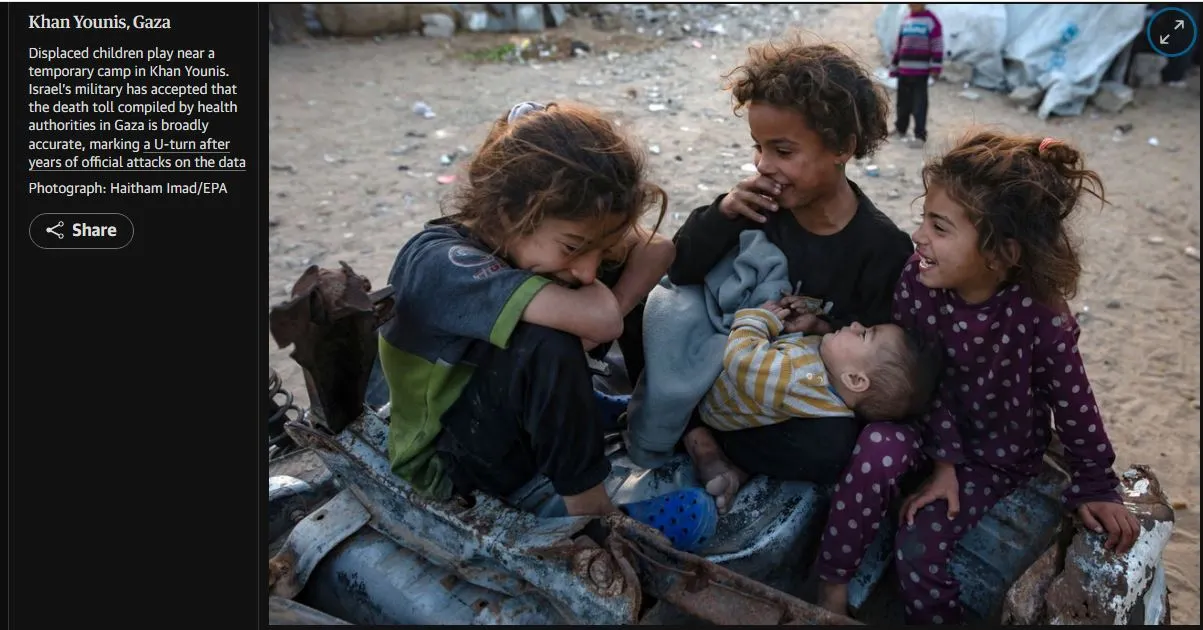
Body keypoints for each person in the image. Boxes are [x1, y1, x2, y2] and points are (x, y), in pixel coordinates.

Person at [813, 131, 1142, 623]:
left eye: (940, 227)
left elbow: (1074, 401)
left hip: (995, 453)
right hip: (924, 421)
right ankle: (831, 590)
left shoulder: (1042, 319)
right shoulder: (918, 281)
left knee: (918, 548)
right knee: (878, 448)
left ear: (1002, 253)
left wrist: (1095, 483)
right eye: (924, 218)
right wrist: (942, 461)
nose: (920, 235)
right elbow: (922, 376)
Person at [378, 101, 715, 531]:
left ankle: (607, 411)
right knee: (548, 340)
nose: (587, 268)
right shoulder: (444, 264)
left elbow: (657, 247)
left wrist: (609, 280)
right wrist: (602, 310)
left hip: (496, 414)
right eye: (574, 247)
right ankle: (592, 513)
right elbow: (602, 322)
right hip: (450, 464)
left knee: (602, 282)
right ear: (510, 213)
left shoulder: (533, 235)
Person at [668, 38, 915, 512]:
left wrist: (824, 327)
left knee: (833, 445)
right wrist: (721, 213)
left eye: (782, 150)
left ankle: (708, 440)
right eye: (759, 148)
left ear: (843, 147)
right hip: (719, 360)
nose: (764, 165)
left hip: (784, 394)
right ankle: (699, 438)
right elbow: (681, 269)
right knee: (654, 310)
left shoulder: (881, 247)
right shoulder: (758, 206)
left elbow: (878, 354)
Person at [698, 300, 941, 433]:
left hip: (715, 395)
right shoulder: (834, 385)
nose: (856, 324)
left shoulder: (799, 377)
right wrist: (816, 320)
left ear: (855, 380)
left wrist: (757, 321)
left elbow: (742, 362)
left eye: (864, 334)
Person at [888, 4, 944, 148]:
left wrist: (935, 67)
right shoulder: (906, 20)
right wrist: (894, 66)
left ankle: (920, 135)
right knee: (902, 104)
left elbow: (937, 44)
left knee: (919, 104)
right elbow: (900, 46)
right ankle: (901, 128)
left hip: (920, 73)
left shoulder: (931, 20)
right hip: (904, 72)